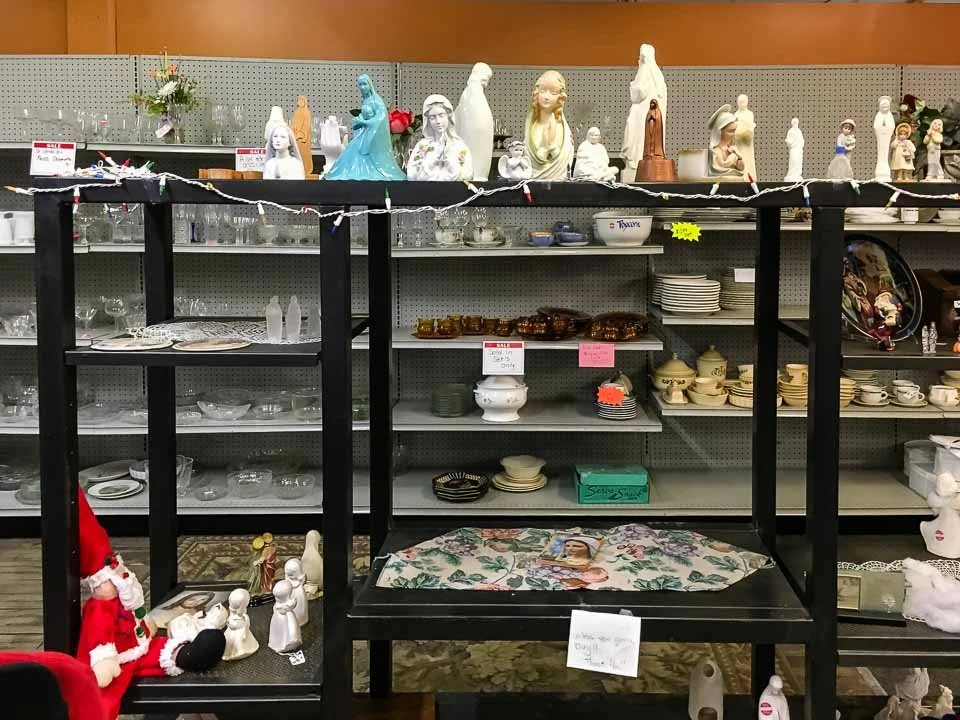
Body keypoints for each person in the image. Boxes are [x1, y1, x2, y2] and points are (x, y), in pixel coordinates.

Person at [324, 74, 405, 181]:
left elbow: (381, 117)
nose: (362, 87)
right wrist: (359, 121)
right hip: (364, 133)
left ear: (370, 85)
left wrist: (367, 123)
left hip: (372, 135)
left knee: (357, 151)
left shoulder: (376, 100)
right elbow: (363, 117)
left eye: (364, 84)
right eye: (360, 85)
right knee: (350, 151)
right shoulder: (366, 100)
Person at [622, 44, 666, 177]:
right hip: (651, 116)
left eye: (639, 57)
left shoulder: (645, 70)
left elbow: (638, 92)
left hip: (641, 114)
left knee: (635, 137)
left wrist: (632, 86)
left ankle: (635, 162)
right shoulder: (658, 75)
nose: (638, 61)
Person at [406, 94, 473, 181]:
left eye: (441, 115)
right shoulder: (422, 146)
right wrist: (431, 162)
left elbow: (468, 175)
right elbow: (411, 175)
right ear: (428, 121)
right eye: (433, 117)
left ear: (448, 117)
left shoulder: (459, 146)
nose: (438, 121)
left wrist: (450, 164)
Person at [523, 69, 574, 180]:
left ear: (560, 97)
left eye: (553, 92)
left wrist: (551, 146)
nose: (546, 96)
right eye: (543, 91)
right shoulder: (532, 128)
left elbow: (563, 159)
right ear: (536, 93)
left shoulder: (562, 130)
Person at [707, 105, 743, 178]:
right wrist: (734, 156)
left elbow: (741, 168)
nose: (733, 134)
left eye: (734, 130)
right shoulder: (716, 150)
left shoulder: (732, 148)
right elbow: (722, 166)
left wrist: (739, 157)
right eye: (730, 131)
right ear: (720, 132)